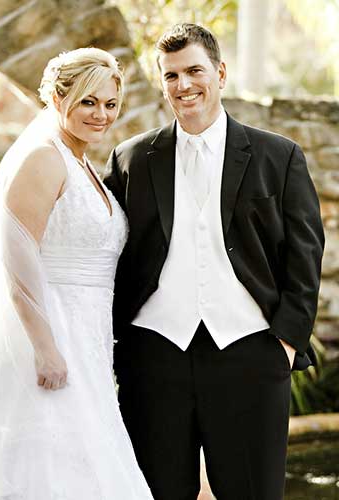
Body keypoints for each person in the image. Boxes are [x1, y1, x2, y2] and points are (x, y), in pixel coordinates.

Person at [105, 23, 324, 500]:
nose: (183, 85)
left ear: (220, 73)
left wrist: (286, 343)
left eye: (194, 71)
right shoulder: (131, 159)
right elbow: (106, 254)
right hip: (154, 355)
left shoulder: (278, 156)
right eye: (171, 75)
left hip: (251, 352)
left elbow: (306, 253)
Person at [0, 47, 153, 500]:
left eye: (110, 103)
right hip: (53, 335)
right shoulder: (43, 158)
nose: (101, 114)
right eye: (87, 101)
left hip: (90, 339)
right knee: (53, 465)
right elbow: (16, 257)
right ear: (58, 99)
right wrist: (45, 347)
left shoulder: (83, 164)